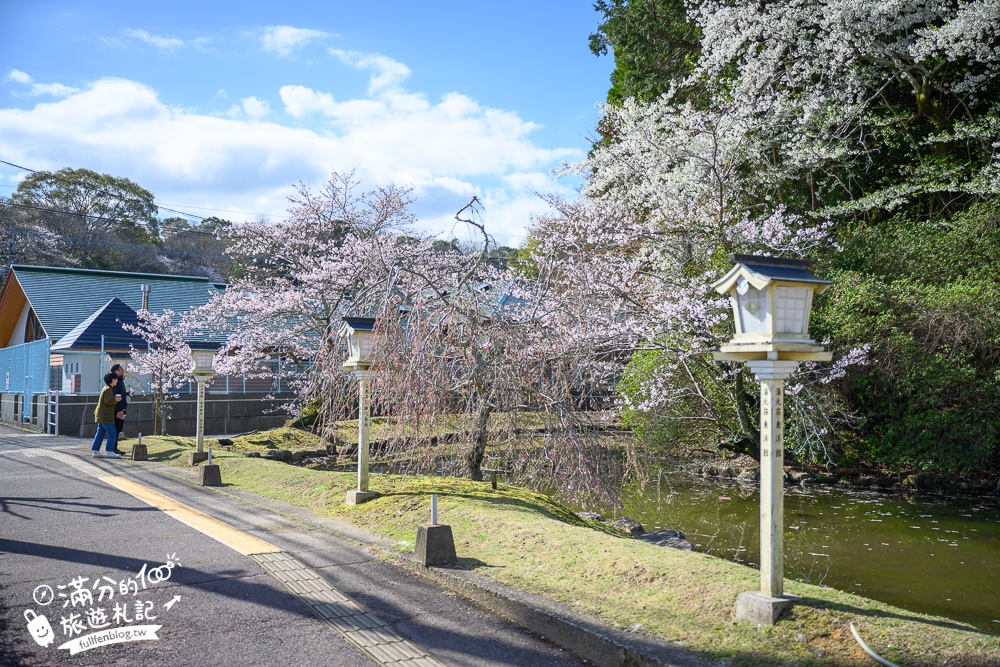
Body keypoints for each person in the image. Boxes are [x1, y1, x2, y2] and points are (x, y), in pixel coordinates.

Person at [92, 373, 122, 458]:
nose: (116, 381)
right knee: (112, 433)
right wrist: (116, 400)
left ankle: (96, 451)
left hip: (101, 415)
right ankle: (109, 451)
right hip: (106, 415)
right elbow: (108, 401)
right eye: (116, 379)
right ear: (113, 380)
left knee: (100, 432)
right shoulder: (109, 389)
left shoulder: (105, 388)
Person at [110, 363, 130, 455]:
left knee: (118, 429)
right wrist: (119, 409)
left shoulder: (120, 381)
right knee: (116, 429)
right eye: (121, 368)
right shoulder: (116, 381)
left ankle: (115, 448)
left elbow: (121, 395)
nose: (123, 369)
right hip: (118, 409)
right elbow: (117, 396)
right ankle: (113, 449)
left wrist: (128, 394)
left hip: (122, 408)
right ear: (116, 371)